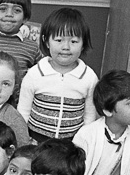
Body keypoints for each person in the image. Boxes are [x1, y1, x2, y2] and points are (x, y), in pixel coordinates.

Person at [18, 8, 99, 142]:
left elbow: (89, 116)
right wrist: (24, 140)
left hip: (71, 143)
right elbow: (23, 111)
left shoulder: (88, 77)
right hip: (36, 140)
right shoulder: (35, 73)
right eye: (59, 40)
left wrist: (83, 143)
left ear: (83, 44)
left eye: (73, 41)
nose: (66, 47)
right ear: (46, 41)